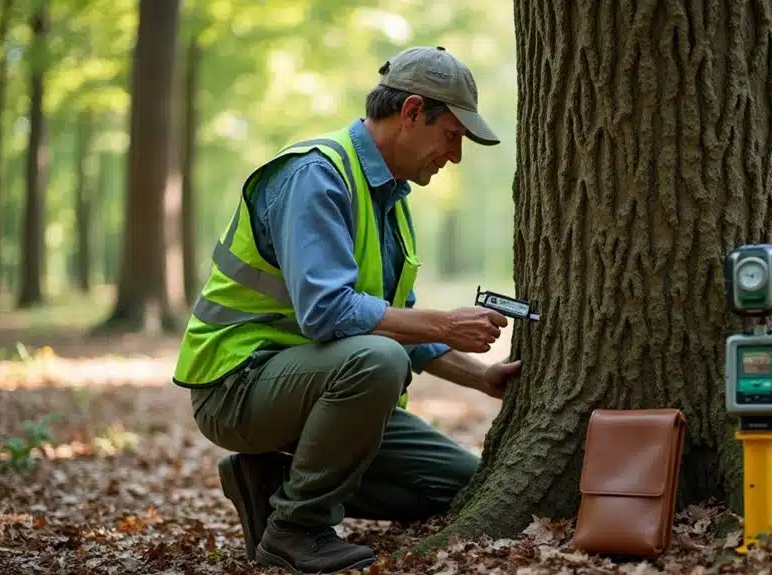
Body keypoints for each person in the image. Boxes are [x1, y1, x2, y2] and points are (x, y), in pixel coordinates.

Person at [171, 45, 520, 574]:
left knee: (463, 485)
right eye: (452, 135)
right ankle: (294, 528)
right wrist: (448, 323)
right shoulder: (316, 176)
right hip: (238, 387)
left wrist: (482, 378)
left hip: (314, 388)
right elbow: (329, 312)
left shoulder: (390, 201)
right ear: (410, 113)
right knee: (379, 359)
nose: (455, 155)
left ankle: (268, 484)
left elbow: (398, 322)